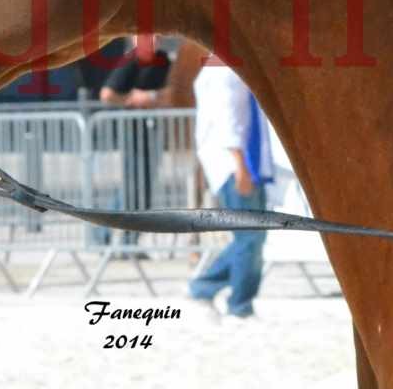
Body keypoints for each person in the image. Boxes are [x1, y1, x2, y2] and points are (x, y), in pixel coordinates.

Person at [185, 61, 273, 320]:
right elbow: (229, 120)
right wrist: (240, 167)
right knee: (250, 238)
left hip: (237, 163)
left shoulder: (215, 70)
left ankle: (204, 288)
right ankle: (237, 304)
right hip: (236, 165)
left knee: (249, 238)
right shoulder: (226, 73)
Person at [100, 35, 174, 247]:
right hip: (132, 132)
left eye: (155, 36)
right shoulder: (130, 60)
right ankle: (103, 233)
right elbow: (107, 94)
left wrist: (151, 98)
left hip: (152, 131)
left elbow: (169, 92)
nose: (152, 40)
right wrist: (131, 100)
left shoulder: (163, 59)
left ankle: (130, 241)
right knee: (133, 187)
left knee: (145, 187)